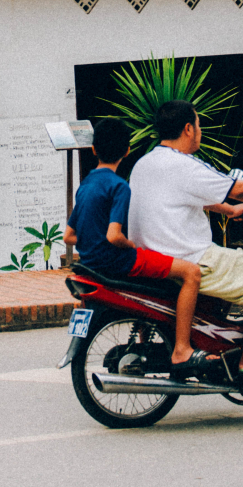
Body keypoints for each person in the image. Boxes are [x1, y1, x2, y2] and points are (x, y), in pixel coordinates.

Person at [128, 100, 243, 383]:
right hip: (189, 258)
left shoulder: (146, 162)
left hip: (154, 257)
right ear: (189, 128)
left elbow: (185, 196)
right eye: (199, 125)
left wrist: (228, 210)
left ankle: (219, 343)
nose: (200, 131)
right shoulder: (183, 164)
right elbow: (241, 189)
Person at [62, 119, 215, 378]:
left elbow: (69, 236)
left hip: (91, 264)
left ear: (93, 150)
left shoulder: (86, 184)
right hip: (118, 261)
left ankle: (151, 339)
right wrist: (129, 244)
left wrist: (95, 239)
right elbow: (114, 235)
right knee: (191, 273)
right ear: (128, 150)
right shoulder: (119, 185)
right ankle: (182, 348)